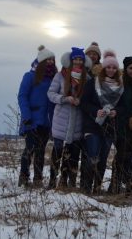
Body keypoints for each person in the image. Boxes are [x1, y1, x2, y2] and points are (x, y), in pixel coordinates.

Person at [80, 50, 126, 193]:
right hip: (93, 126)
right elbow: (84, 103)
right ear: (103, 68)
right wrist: (95, 111)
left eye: (114, 67)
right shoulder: (92, 83)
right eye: (108, 67)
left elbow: (124, 107)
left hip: (109, 127)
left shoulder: (120, 86)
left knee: (103, 158)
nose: (111, 70)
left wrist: (116, 111)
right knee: (92, 156)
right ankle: (86, 187)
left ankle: (97, 187)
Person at [48, 48, 87, 189]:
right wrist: (64, 98)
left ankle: (65, 181)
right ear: (70, 60)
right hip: (61, 119)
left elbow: (88, 98)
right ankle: (52, 180)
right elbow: (51, 94)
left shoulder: (86, 78)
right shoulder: (60, 76)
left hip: (77, 120)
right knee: (57, 150)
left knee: (71, 152)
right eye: (75, 59)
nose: (78, 61)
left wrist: (80, 101)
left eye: (80, 59)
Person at [18, 45, 57, 187]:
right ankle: (23, 177)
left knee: (41, 151)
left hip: (46, 121)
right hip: (32, 119)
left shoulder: (54, 79)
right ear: (41, 61)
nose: (51, 63)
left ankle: (38, 179)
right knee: (29, 149)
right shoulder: (30, 76)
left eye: (52, 60)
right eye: (48, 60)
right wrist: (26, 115)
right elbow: (22, 96)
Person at [110, 55, 132, 194]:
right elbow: (116, 103)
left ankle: (130, 184)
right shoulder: (119, 84)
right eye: (131, 68)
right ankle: (115, 184)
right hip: (120, 123)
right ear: (125, 68)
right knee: (121, 154)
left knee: (131, 155)